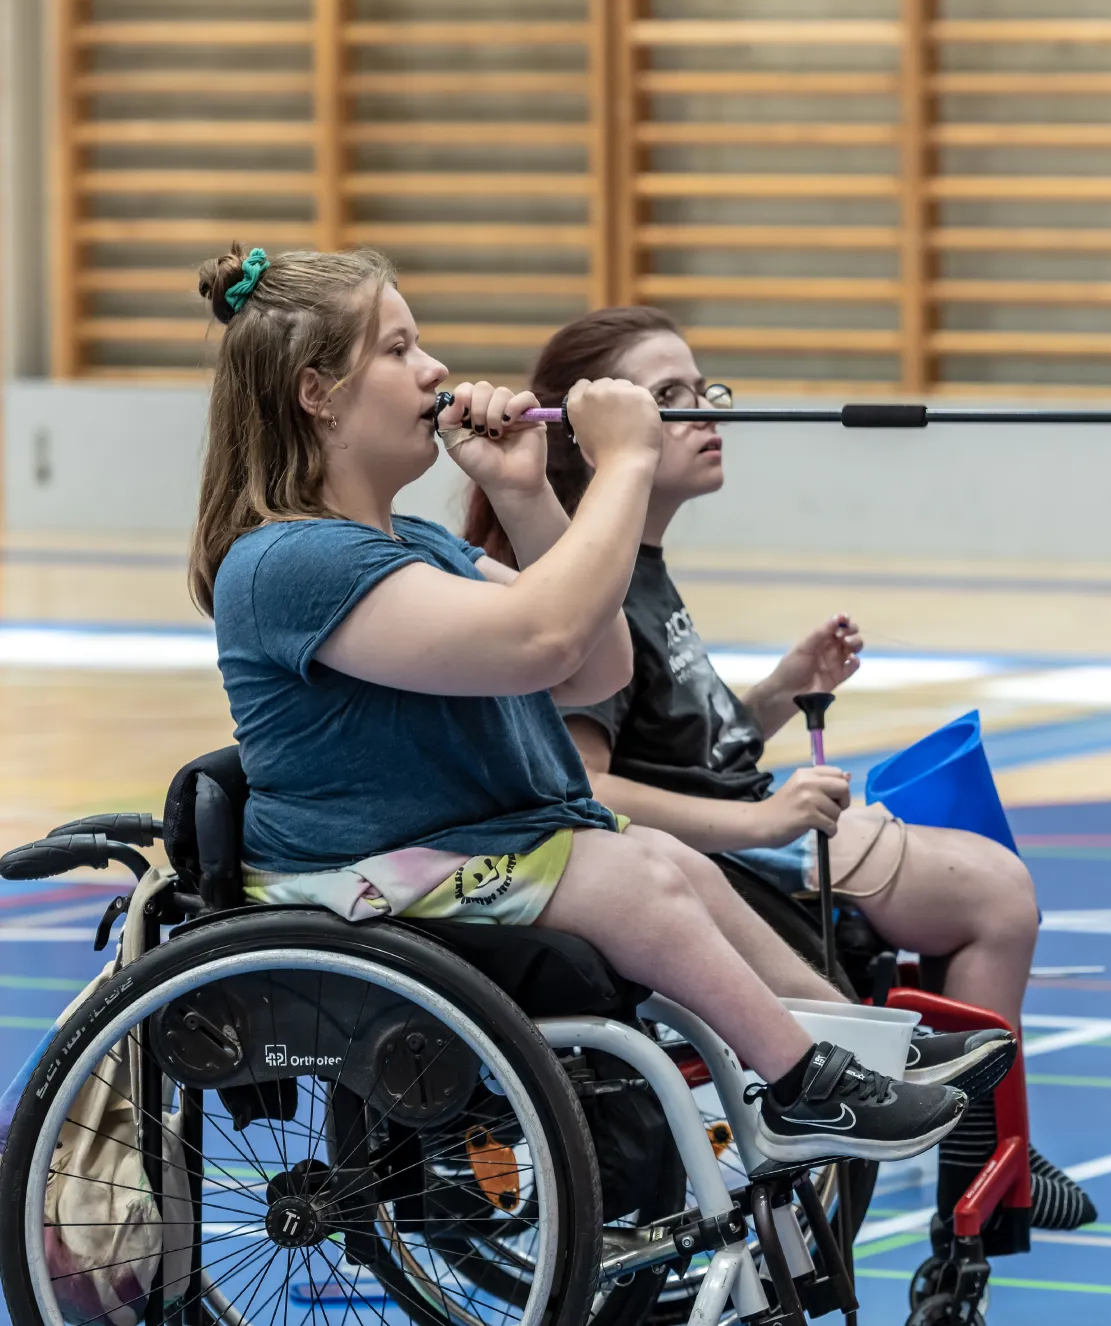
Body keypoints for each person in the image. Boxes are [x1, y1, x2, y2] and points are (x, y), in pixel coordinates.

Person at [191, 243, 994, 1167]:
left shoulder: (412, 542)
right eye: (399, 349)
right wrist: (623, 466)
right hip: (358, 877)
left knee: (662, 859)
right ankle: (803, 1087)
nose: (435, 370)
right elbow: (544, 638)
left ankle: (850, 1038)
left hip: (459, 854)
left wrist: (525, 494)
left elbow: (593, 669)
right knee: (630, 881)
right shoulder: (289, 560)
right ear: (315, 393)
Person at [462, 306, 1096, 1233]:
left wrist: (776, 693)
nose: (705, 412)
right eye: (668, 397)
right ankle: (979, 1166)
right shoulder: (583, 581)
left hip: (748, 830)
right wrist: (766, 823)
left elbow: (688, 751)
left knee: (978, 866)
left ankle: (976, 1142)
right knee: (998, 896)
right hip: (722, 859)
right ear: (595, 434)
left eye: (703, 388)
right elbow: (588, 790)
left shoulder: (637, 561)